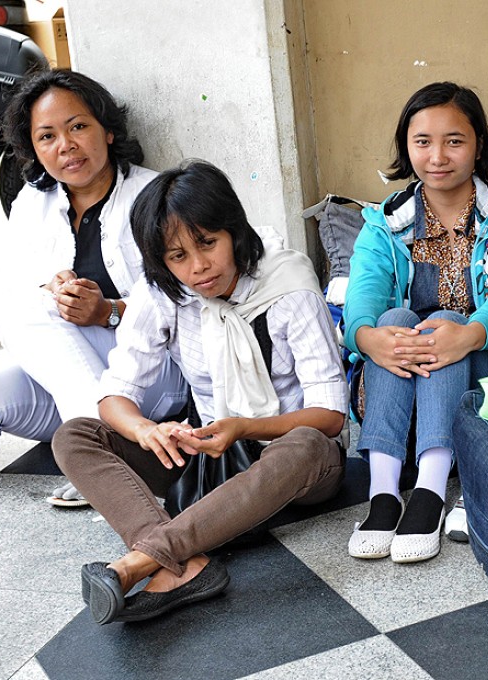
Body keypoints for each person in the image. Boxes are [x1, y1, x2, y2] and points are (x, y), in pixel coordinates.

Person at [52, 160, 348, 624]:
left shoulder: (288, 286)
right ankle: (183, 565)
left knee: (307, 444)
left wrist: (245, 428)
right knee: (75, 435)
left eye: (208, 243)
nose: (199, 266)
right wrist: (148, 431)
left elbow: (330, 415)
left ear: (233, 230)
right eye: (178, 256)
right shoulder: (161, 294)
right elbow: (113, 396)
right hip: (210, 460)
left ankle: (141, 560)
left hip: (292, 463)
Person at [343, 82, 488, 563]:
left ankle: (429, 492)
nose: (437, 156)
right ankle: (384, 494)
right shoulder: (384, 223)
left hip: (482, 378)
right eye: (422, 141)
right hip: (398, 388)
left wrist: (468, 334)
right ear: (406, 147)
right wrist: (370, 339)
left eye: (454, 140)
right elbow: (362, 296)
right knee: (392, 318)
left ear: (478, 147)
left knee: (446, 321)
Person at [0, 70, 186, 497]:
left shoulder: (153, 196)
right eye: (46, 136)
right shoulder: (35, 202)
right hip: (72, 384)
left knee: (36, 310)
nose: (65, 145)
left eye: (78, 127)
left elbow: (187, 299)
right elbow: (15, 293)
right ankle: (99, 444)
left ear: (107, 131)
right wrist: (51, 291)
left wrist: (108, 312)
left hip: (152, 378)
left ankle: (96, 454)